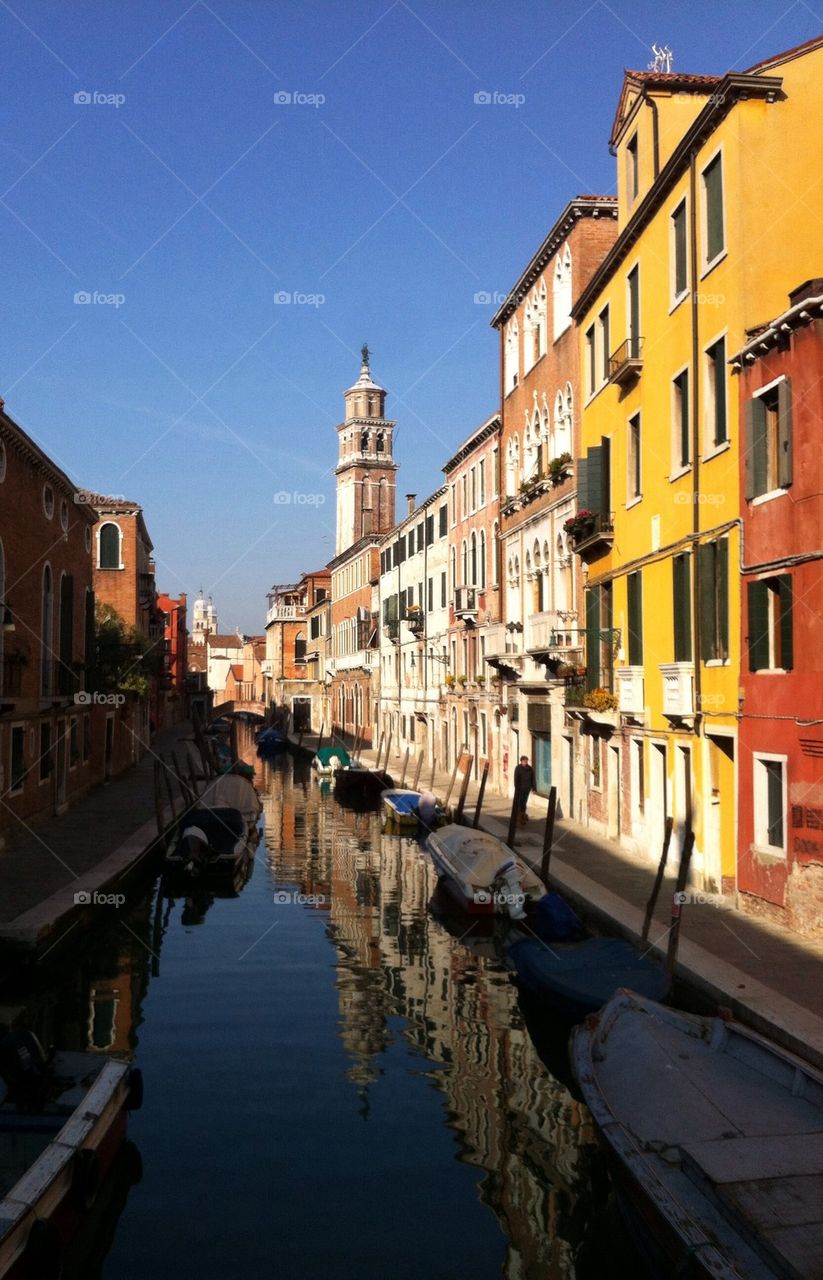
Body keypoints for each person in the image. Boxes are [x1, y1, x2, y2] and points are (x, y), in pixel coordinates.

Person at [513, 756, 536, 826]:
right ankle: (519, 818)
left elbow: (533, 779)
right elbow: (516, 779)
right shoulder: (518, 768)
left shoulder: (530, 769)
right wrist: (517, 788)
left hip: (527, 789)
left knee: (524, 803)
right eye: (524, 761)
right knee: (519, 803)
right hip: (520, 789)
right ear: (521, 761)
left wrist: (534, 788)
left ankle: (522, 816)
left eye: (526, 761)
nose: (525, 762)